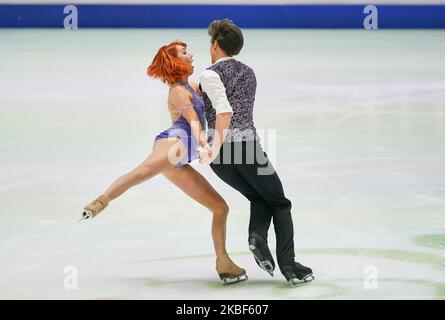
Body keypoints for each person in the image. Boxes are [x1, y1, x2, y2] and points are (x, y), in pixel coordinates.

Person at [80, 40, 247, 285]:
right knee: (143, 171)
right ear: (174, 62)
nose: (191, 55)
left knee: (220, 208)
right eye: (184, 53)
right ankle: (100, 202)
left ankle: (223, 262)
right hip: (176, 142)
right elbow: (192, 121)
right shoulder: (177, 91)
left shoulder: (190, 85)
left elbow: (216, 93)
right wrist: (203, 143)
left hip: (181, 159)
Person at [198, 19, 314, 286]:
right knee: (280, 203)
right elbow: (228, 110)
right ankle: (288, 264)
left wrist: (214, 149)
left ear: (215, 44)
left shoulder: (208, 74)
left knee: (259, 197)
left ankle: (257, 239)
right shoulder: (249, 73)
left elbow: (221, 110)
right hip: (248, 149)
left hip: (222, 156)